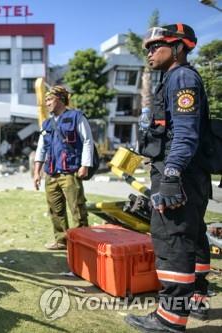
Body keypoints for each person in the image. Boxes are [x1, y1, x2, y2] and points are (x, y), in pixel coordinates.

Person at [125, 24, 211, 333]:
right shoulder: (173, 78)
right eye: (146, 46)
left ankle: (170, 319)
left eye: (155, 46)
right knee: (192, 237)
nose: (149, 51)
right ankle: (197, 299)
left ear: (178, 48)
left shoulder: (182, 77)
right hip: (190, 174)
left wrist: (171, 175)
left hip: (179, 176)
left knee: (172, 240)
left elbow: (185, 134)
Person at [33, 85, 93, 250]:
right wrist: (36, 172)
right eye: (45, 100)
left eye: (50, 99)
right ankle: (61, 240)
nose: (47, 103)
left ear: (60, 99)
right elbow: (41, 148)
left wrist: (85, 165)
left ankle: (84, 243)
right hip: (51, 173)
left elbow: (88, 141)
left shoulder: (76, 117)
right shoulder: (46, 124)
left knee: (77, 209)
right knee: (55, 209)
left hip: (70, 172)